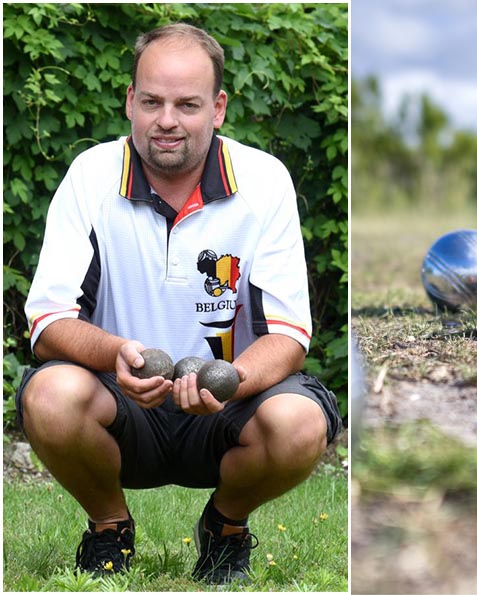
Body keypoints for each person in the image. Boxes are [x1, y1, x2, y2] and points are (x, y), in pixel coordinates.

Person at [15, 23, 342, 585]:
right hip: (121, 403)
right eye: (152, 102)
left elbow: (289, 336)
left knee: (299, 422)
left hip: (229, 407)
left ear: (217, 109)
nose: (166, 120)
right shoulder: (90, 176)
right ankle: (109, 529)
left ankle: (225, 527)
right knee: (49, 394)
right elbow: (47, 324)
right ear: (129, 102)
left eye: (187, 104)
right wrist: (116, 351)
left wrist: (229, 380)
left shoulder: (264, 182)